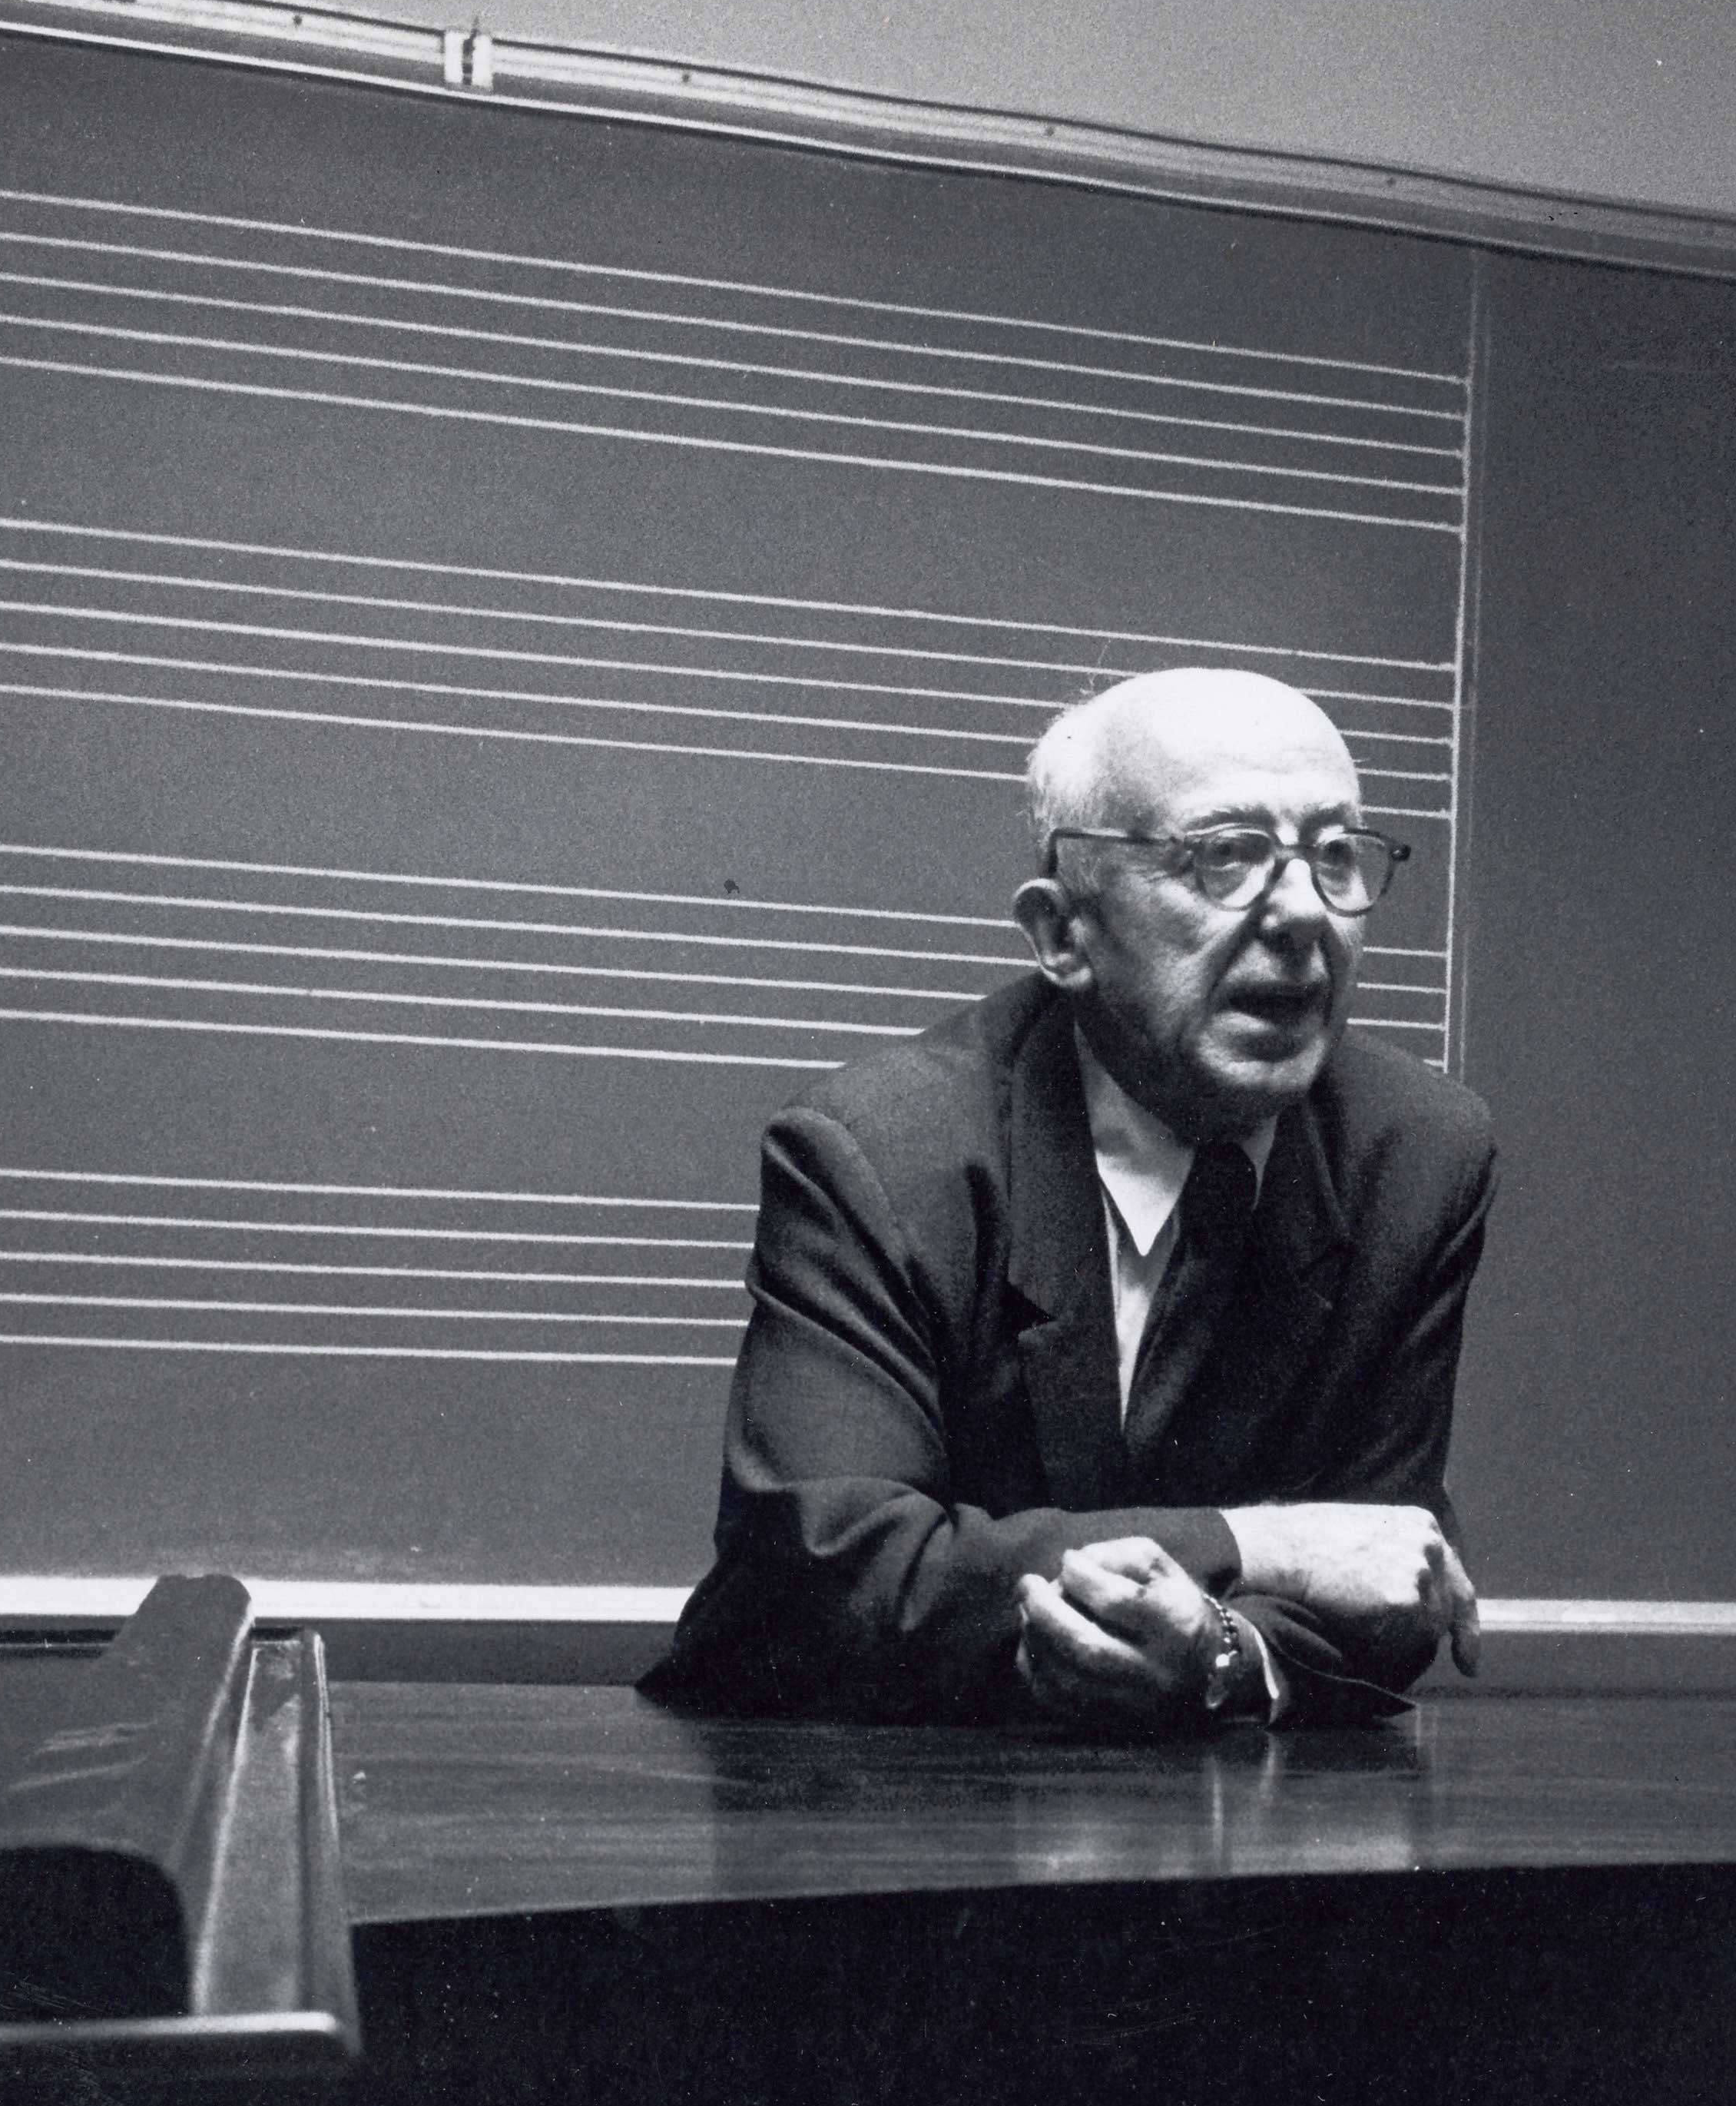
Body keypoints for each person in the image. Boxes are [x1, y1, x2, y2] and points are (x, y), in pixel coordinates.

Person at [641, 668, 1498, 1729]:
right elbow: (828, 1570)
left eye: (1335, 856)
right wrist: (1259, 1546)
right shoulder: (881, 1151)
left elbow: (1388, 1572)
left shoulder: (1417, 1155)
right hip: (853, 1801)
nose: (1300, 915)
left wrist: (1221, 1655)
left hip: (1214, 1829)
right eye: (1224, 856)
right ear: (1062, 936)